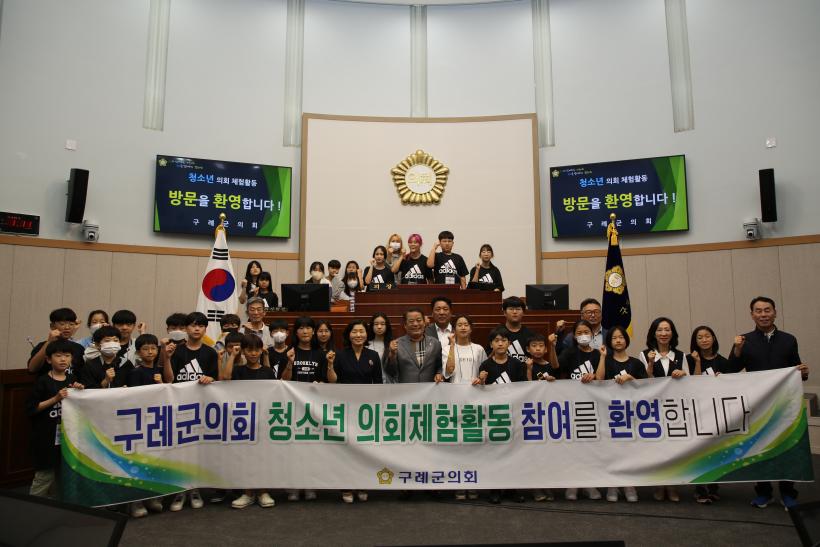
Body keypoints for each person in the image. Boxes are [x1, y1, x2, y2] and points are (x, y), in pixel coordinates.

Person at [728, 296, 809, 510]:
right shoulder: (743, 340)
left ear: (775, 313)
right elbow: (730, 371)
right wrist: (737, 350)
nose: (763, 314)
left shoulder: (789, 340)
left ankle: (788, 492)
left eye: (767, 310)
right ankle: (763, 493)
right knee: (758, 448)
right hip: (757, 405)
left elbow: (795, 369)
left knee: (786, 448)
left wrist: (803, 372)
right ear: (752, 315)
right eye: (758, 311)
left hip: (784, 404)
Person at [161, 312, 218, 512]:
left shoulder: (210, 353)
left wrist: (211, 378)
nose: (196, 329)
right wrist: (167, 358)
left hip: (201, 409)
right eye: (193, 325)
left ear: (205, 329)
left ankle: (195, 489)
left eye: (200, 325)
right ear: (186, 328)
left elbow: (216, 379)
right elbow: (169, 380)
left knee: (197, 450)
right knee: (180, 451)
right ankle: (180, 490)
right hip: (179, 407)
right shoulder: (176, 351)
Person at [220, 334, 278, 509]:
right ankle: (248, 493)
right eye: (249, 350)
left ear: (261, 350)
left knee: (263, 457)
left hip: (263, 420)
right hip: (243, 421)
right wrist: (233, 355)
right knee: (245, 458)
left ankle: (263, 492)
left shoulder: (268, 371)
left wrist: (266, 356)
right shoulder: (239, 370)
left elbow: (274, 392)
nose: (253, 353)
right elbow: (225, 377)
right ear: (243, 351)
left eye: (257, 350)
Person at [638, 316, 688, 502]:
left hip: (675, 409)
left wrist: (683, 373)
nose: (663, 333)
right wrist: (651, 363)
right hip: (654, 409)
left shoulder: (681, 356)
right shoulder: (645, 355)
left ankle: (673, 485)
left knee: (674, 448)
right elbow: (643, 381)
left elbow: (691, 382)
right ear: (653, 333)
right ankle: (659, 484)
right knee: (657, 448)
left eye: (667, 329)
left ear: (673, 333)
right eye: (659, 330)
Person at [26, 339, 84, 498]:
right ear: (48, 359)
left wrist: (79, 390)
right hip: (46, 438)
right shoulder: (43, 381)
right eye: (58, 356)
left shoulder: (72, 379)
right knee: (44, 477)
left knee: (62, 476)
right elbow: (31, 408)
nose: (63, 359)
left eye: (67, 355)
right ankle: (30, 507)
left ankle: (55, 507)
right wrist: (55, 399)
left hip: (66, 438)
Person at [287, 316, 335, 502]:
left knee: (312, 448)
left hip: (313, 407)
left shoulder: (320, 354)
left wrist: (321, 382)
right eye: (301, 328)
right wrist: (289, 362)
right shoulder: (290, 352)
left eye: (308, 328)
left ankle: (310, 484)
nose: (305, 331)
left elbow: (328, 381)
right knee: (293, 448)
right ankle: (293, 485)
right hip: (292, 406)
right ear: (296, 332)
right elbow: (283, 380)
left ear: (313, 331)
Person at [334, 320, 383, 504]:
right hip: (344, 407)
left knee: (364, 449)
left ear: (366, 334)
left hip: (366, 410)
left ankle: (363, 484)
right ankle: (346, 486)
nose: (358, 335)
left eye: (361, 331)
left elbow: (378, 383)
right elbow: (334, 382)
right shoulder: (340, 355)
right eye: (354, 332)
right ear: (348, 335)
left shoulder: (373, 355)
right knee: (346, 449)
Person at [594, 326, 644, 503]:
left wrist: (631, 378)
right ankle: (612, 485)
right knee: (611, 450)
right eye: (614, 338)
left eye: (621, 337)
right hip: (609, 413)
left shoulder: (636, 363)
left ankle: (629, 485)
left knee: (629, 451)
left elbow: (647, 388)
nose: (618, 340)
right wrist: (602, 356)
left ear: (626, 340)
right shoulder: (606, 361)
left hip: (631, 414)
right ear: (610, 341)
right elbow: (599, 379)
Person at [477, 326, 526, 504]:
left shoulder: (517, 364)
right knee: (495, 453)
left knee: (514, 453)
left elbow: (524, 388)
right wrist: (481, 381)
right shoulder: (485, 365)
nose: (500, 344)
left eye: (503, 340)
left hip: (513, 414)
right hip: (494, 416)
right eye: (496, 341)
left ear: (509, 344)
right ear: (491, 344)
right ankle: (495, 488)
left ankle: (513, 488)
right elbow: (480, 392)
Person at [557, 319, 602, 502]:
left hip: (594, 405)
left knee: (591, 447)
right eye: (579, 332)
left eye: (586, 332)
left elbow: (603, 377)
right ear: (574, 336)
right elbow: (556, 368)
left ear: (592, 334)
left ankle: (590, 484)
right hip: (572, 405)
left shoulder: (598, 354)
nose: (583, 335)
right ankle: (572, 483)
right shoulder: (569, 353)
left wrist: (595, 375)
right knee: (574, 447)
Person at [124, 333, 166, 517]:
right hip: (140, 421)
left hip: (158, 420)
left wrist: (161, 383)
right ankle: (136, 501)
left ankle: (153, 498)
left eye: (153, 348)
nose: (150, 352)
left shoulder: (160, 370)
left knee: (156, 462)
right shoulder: (136, 372)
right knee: (139, 462)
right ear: (138, 352)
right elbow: (135, 397)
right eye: (145, 349)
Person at [385, 308, 443, 384]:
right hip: (406, 389)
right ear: (405, 325)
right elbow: (391, 372)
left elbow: (439, 365)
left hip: (429, 389)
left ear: (424, 323)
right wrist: (392, 354)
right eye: (411, 321)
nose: (415, 324)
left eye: (419, 320)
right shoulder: (397, 344)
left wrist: (439, 373)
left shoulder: (435, 343)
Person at [28, 308, 85, 376]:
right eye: (62, 324)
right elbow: (32, 369)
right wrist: (49, 342)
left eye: (71, 324)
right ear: (52, 326)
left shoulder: (79, 348)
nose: (67, 327)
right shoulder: (42, 346)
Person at [502, 296, 535, 362]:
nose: (514, 312)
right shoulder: (497, 333)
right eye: (511, 309)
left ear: (523, 312)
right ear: (505, 313)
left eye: (518, 309)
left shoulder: (530, 334)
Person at [367, 313, 393, 384]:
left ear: (387, 326)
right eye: (376, 324)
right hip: (370, 383)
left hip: (388, 383)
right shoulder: (366, 345)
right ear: (372, 326)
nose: (379, 327)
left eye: (382, 324)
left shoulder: (392, 344)